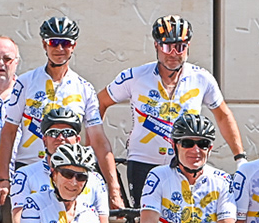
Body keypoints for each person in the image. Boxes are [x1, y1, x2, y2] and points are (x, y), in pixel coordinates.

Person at [99, 15, 244, 207]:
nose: (174, 53)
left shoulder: (202, 78)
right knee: (145, 222)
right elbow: (99, 103)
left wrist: (240, 157)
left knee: (184, 220)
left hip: (184, 164)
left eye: (180, 47)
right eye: (167, 47)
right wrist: (93, 146)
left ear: (188, 46)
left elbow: (223, 116)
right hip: (144, 162)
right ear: (156, 45)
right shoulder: (135, 77)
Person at [0, 16, 120, 206]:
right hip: (30, 167)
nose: (59, 49)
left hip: (70, 172)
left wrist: (114, 190)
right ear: (44, 44)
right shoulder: (25, 82)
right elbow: (9, 131)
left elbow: (98, 141)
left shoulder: (84, 88)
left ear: (74, 46)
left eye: (66, 43)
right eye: (53, 42)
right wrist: (4, 178)